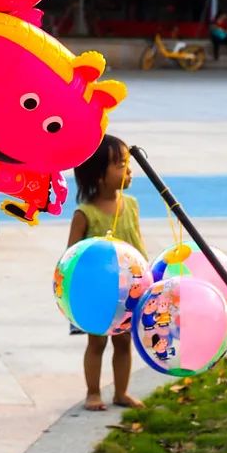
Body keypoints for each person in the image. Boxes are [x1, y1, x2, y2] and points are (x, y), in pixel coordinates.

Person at [66, 135, 148, 411]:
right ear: (99, 175)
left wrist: (147, 277)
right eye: (121, 165)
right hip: (97, 294)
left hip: (127, 291)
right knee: (97, 342)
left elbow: (138, 245)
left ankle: (121, 392)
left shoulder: (132, 206)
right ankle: (92, 393)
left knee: (124, 342)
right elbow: (71, 257)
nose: (129, 170)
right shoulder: (85, 213)